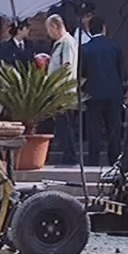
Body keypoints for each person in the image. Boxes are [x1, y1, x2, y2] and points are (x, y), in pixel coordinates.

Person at [77, 15, 126, 167]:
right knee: (114, 128)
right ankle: (115, 159)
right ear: (104, 28)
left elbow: (81, 72)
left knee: (94, 129)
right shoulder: (115, 46)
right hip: (113, 93)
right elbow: (121, 70)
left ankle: (93, 160)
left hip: (93, 93)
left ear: (89, 30)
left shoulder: (85, 49)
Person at [43, 13, 80, 166]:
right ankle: (67, 155)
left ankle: (70, 157)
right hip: (57, 90)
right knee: (62, 126)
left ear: (55, 26)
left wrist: (57, 85)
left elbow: (67, 66)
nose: (48, 33)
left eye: (49, 29)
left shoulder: (67, 42)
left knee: (66, 126)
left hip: (63, 92)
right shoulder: (59, 43)